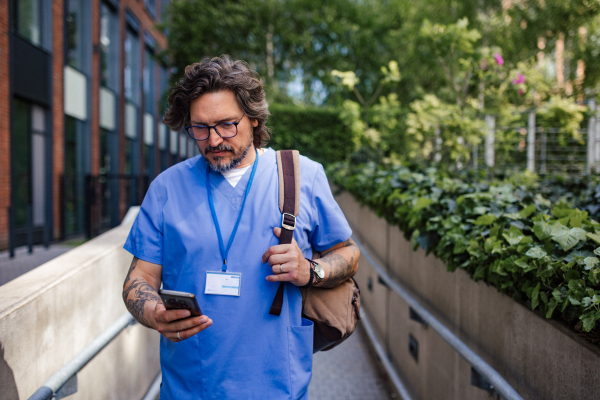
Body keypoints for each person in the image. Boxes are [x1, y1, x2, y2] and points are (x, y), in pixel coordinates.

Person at [122, 55, 360, 399]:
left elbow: (349, 253)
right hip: (188, 389)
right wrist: (153, 312)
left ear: (254, 119)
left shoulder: (301, 177)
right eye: (200, 128)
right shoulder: (167, 188)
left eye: (226, 125)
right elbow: (138, 279)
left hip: (278, 389)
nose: (214, 139)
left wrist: (311, 270)